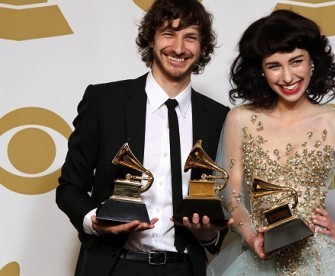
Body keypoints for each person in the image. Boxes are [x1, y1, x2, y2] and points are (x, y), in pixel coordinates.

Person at [207, 9, 335, 275]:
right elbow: (232, 197)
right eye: (274, 66)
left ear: (312, 61)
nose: (288, 77)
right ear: (260, 70)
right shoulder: (241, 119)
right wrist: (250, 237)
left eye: (296, 61)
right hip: (256, 260)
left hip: (316, 263)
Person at [56, 0, 232, 275]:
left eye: (190, 37)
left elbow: (219, 204)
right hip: (114, 266)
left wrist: (208, 234)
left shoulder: (219, 117)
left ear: (202, 47)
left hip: (185, 268)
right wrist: (95, 221)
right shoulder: (104, 102)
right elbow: (69, 187)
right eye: (168, 33)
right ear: (151, 38)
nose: (178, 48)